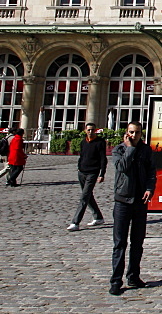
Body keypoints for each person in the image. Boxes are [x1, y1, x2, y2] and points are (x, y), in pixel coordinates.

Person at [109, 121, 156, 295]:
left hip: (140, 201)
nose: (133, 135)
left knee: (137, 242)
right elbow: (121, 167)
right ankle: (115, 280)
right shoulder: (119, 150)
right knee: (120, 243)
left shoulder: (146, 150)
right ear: (126, 133)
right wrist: (129, 148)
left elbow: (152, 171)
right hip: (122, 200)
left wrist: (150, 188)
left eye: (136, 132)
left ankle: (133, 276)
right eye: (131, 132)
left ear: (141, 134)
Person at [67, 122, 108, 231]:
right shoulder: (83, 142)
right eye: (88, 130)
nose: (90, 132)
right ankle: (98, 217)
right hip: (82, 172)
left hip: (92, 172)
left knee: (84, 197)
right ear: (85, 130)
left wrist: (102, 173)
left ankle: (75, 222)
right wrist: (79, 167)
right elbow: (82, 155)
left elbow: (103, 159)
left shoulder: (100, 142)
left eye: (92, 130)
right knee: (88, 196)